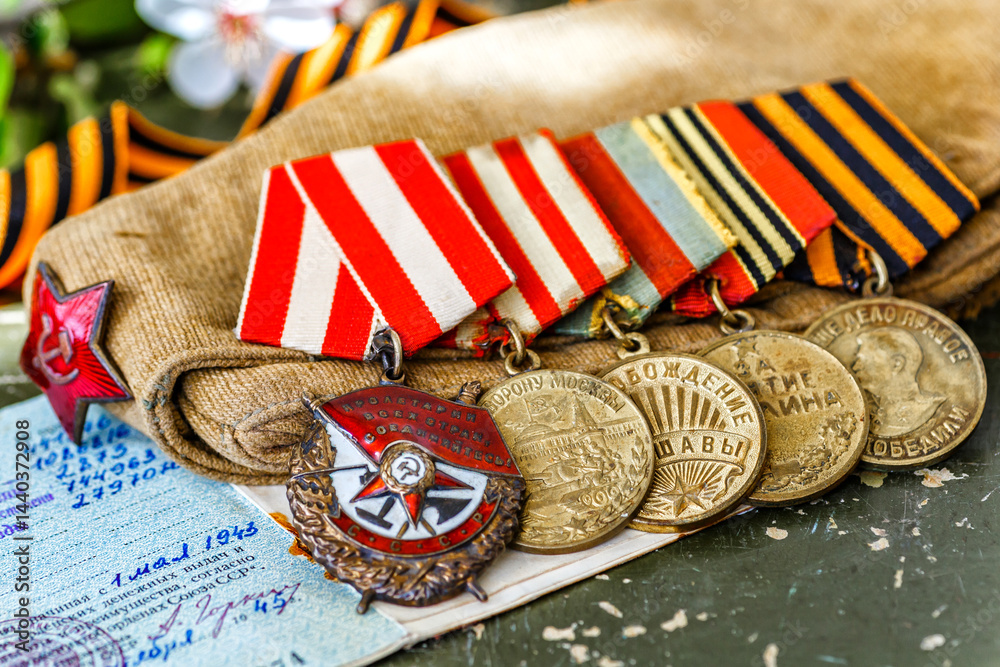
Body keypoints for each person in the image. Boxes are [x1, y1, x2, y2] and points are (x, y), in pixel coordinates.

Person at [851, 329, 945, 437]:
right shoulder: (868, 408)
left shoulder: (928, 409)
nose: (855, 368)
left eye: (863, 361)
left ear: (896, 364)